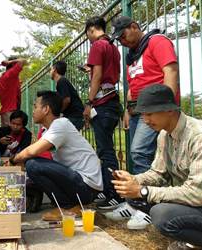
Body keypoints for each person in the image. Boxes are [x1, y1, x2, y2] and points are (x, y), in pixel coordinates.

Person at [111, 84, 202, 250]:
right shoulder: (164, 135)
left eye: (150, 114)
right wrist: (133, 180)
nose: (145, 120)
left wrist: (143, 190)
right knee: (133, 196)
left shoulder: (201, 136)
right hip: (199, 198)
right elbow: (158, 174)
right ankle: (199, 238)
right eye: (143, 114)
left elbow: (196, 194)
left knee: (161, 215)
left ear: (170, 110)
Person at [105, 16, 179, 229]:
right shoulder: (132, 55)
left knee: (139, 152)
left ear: (135, 27)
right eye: (118, 39)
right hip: (137, 109)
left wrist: (167, 107)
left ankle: (146, 208)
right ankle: (135, 203)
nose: (122, 41)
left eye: (124, 35)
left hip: (156, 108)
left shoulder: (157, 41)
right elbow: (133, 84)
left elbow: (170, 72)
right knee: (140, 155)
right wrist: (128, 111)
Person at [9, 91, 103, 221]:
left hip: (87, 186)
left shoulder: (61, 124)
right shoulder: (50, 129)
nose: (33, 111)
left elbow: (32, 151)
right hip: (80, 183)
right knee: (32, 165)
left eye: (36, 106)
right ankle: (70, 205)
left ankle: (66, 207)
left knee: (33, 164)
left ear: (46, 109)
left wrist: (13, 160)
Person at [82, 16, 123, 210]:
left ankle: (114, 194)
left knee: (105, 152)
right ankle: (108, 190)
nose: (88, 38)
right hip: (113, 100)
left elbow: (97, 75)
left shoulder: (97, 46)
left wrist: (89, 102)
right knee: (106, 149)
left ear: (91, 29)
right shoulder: (113, 47)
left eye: (88, 34)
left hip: (102, 103)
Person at [50, 61, 84, 131]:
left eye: (50, 69)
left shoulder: (61, 81)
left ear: (54, 69)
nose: (49, 72)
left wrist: (58, 112)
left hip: (74, 116)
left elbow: (67, 100)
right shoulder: (62, 81)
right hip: (74, 116)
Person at [0, 57, 28, 126]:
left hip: (7, 111)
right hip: (10, 112)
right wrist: (10, 62)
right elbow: (23, 61)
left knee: (8, 135)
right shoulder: (11, 74)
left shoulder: (4, 77)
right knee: (11, 135)